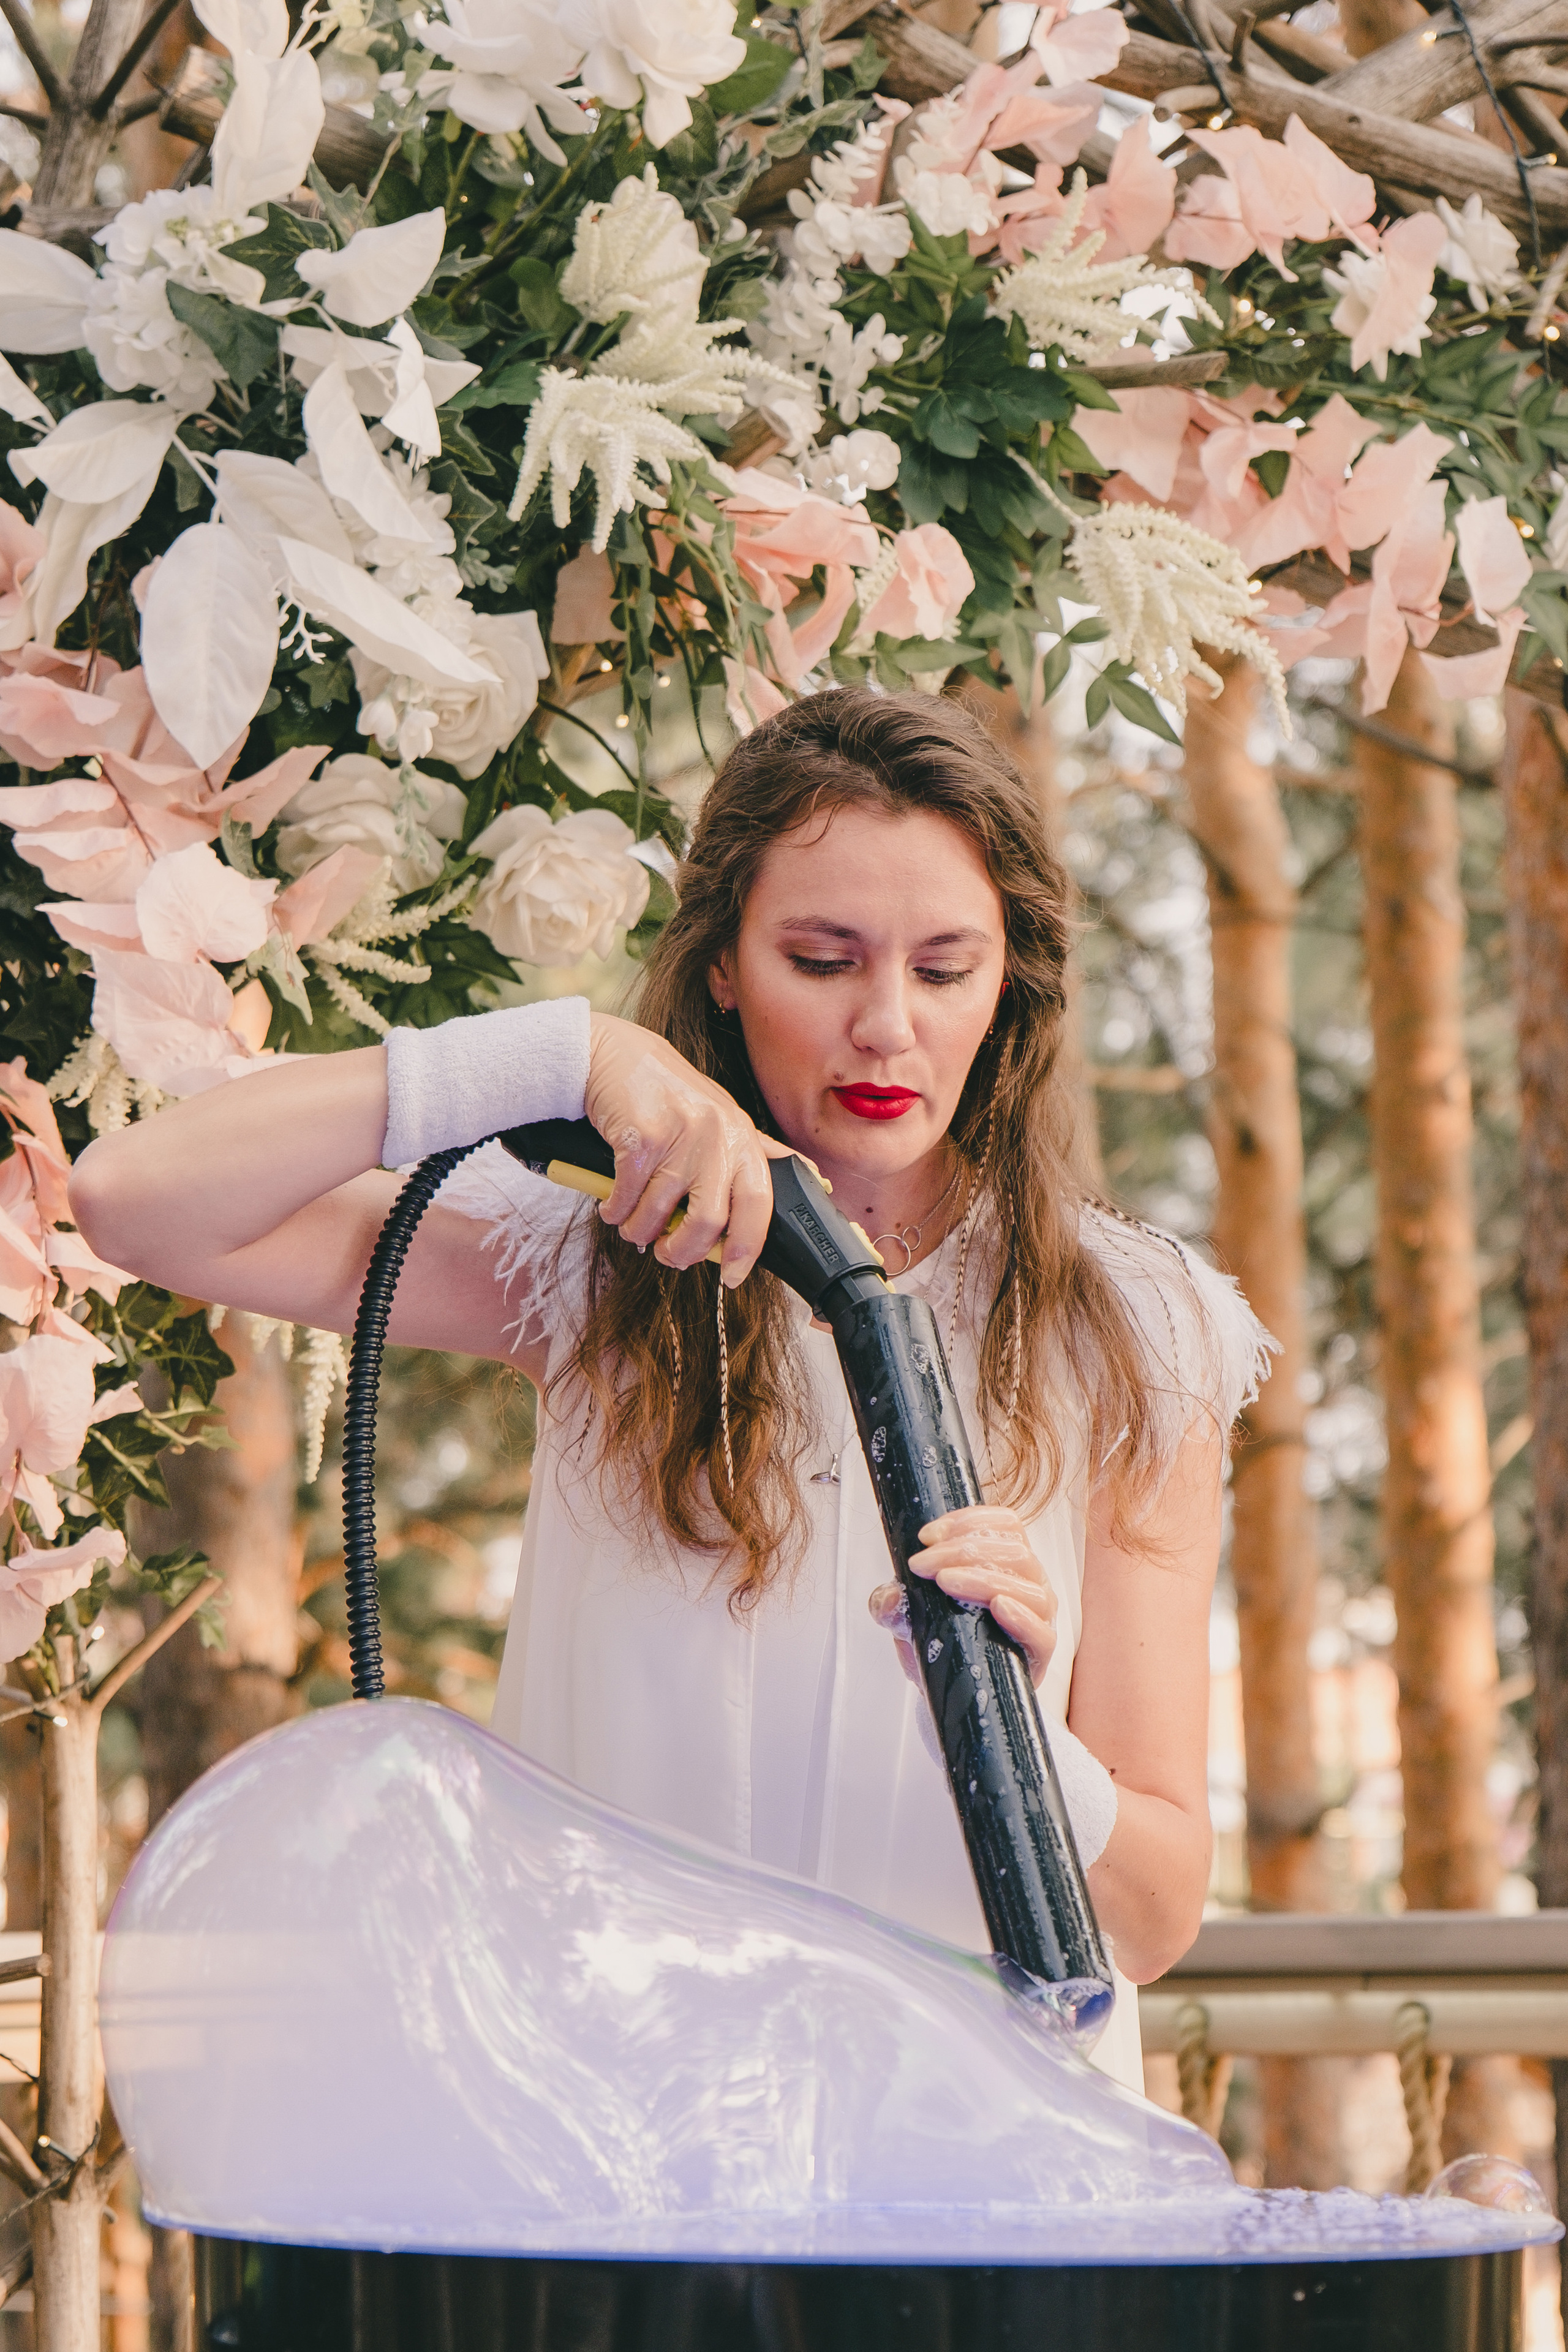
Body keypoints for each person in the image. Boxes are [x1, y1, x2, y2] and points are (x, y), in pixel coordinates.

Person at [71, 688, 1270, 2095]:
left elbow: (1153, 1912)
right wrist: (565, 1056)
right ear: (719, 965)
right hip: (617, 2142)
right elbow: (134, 1201)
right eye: (821, 959)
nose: (885, 1026)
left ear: (1010, 981)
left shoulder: (1132, 1334)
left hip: (977, 2178)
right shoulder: (589, 1266)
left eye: (945, 969)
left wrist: (1016, 1729)